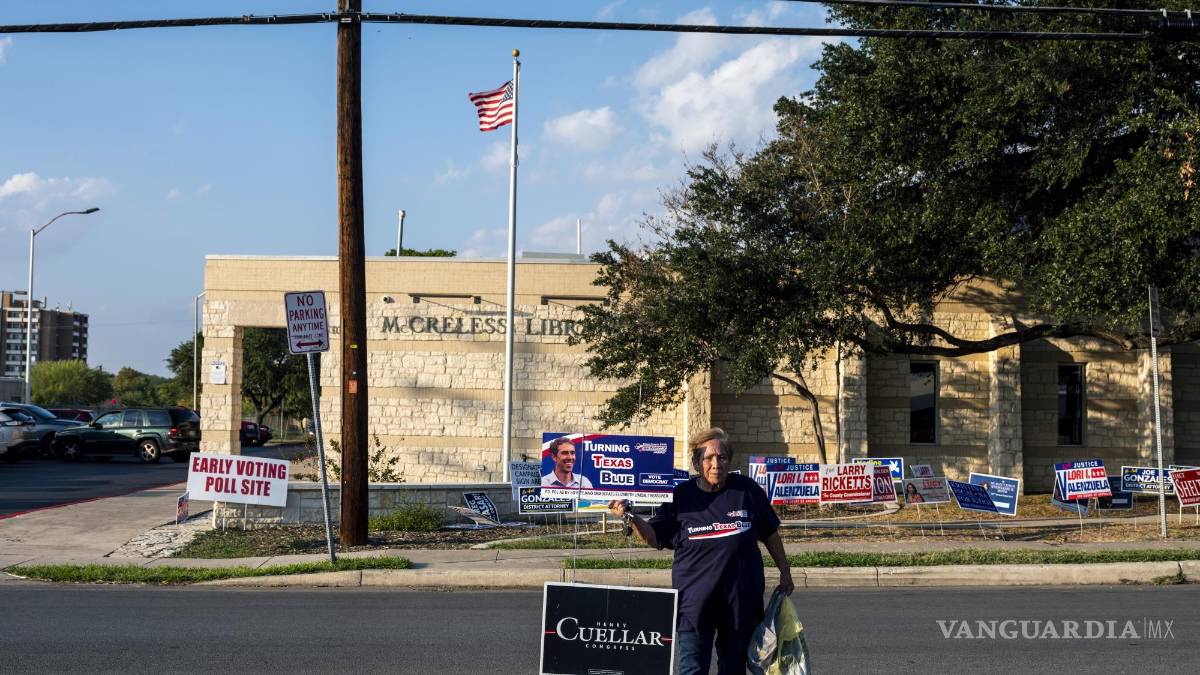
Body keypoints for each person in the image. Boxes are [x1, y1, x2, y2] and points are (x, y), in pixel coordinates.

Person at [609, 428, 793, 675]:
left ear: (729, 460)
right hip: (694, 605)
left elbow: (770, 533)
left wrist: (785, 572)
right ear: (696, 463)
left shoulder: (747, 491)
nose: (716, 464)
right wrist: (631, 517)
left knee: (733, 669)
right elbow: (654, 537)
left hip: (740, 603)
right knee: (692, 669)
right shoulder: (681, 497)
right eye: (708, 458)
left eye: (722, 457)